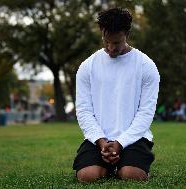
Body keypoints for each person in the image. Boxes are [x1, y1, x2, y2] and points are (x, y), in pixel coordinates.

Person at [72, 8, 160, 182]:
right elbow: (84, 111)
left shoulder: (146, 66)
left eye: (116, 43)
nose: (111, 48)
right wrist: (101, 141)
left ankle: (124, 166)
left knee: (132, 175)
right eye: (106, 42)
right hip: (98, 139)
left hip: (134, 138)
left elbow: (146, 113)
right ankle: (107, 166)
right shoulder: (87, 66)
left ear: (127, 34)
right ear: (101, 34)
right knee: (87, 176)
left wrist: (120, 143)